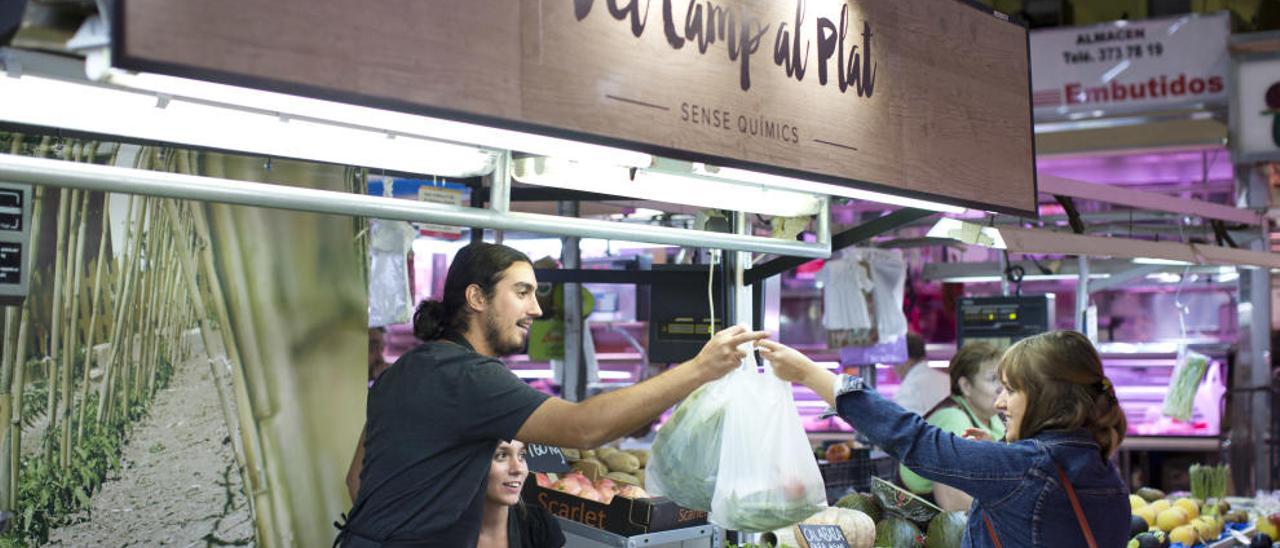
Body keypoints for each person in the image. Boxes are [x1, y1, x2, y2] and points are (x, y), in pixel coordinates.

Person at [338, 242, 767, 547]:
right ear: (476, 298)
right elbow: (584, 427)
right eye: (522, 292)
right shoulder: (465, 376)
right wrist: (699, 369)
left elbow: (357, 478)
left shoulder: (407, 369)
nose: (537, 309)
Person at [759, 330, 1129, 547]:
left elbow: (914, 439)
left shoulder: (1025, 468)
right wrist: (999, 455)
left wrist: (810, 374)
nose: (1001, 401)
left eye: (1012, 390)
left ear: (1047, 397)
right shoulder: (1102, 468)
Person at [898, 342, 1005, 511]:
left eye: (1003, 379)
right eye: (993, 379)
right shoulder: (953, 418)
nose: (1001, 387)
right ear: (966, 386)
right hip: (921, 520)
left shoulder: (994, 419)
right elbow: (951, 498)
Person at [477, 440, 564, 548]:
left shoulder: (539, 525)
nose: (519, 469)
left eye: (521, 455)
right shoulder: (450, 528)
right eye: (502, 455)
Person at [891, 332, 949, 416]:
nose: (894, 369)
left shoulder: (908, 391)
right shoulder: (947, 379)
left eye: (895, 362)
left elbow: (906, 426)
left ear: (905, 360)